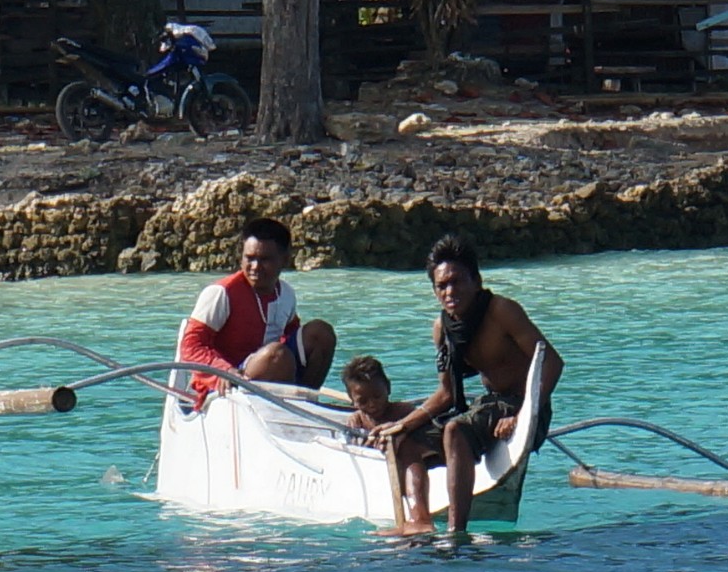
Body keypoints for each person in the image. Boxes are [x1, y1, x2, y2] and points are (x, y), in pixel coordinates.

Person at [373, 234, 563, 535]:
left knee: (456, 429)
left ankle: (456, 534)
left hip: (522, 404)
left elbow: (552, 362)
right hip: (488, 406)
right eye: (441, 286)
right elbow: (448, 394)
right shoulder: (442, 329)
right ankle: (419, 520)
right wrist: (402, 425)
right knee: (403, 441)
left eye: (457, 281)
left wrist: (524, 414)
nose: (450, 291)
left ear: (476, 281)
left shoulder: (502, 311)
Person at [179, 218, 337, 404]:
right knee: (277, 355)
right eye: (250, 258)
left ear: (284, 260)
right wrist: (224, 370)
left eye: (264, 260)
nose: (255, 267)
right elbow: (190, 347)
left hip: (266, 369)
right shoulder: (221, 293)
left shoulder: (286, 294)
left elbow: (294, 335)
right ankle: (289, 407)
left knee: (321, 332)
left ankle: (306, 402)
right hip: (229, 378)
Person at [343, 355, 438, 534]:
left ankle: (419, 515)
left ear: (388, 388)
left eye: (377, 396)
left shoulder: (404, 413)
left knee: (405, 444)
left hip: (415, 463)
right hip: (382, 475)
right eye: (363, 401)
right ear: (352, 401)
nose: (372, 404)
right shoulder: (357, 421)